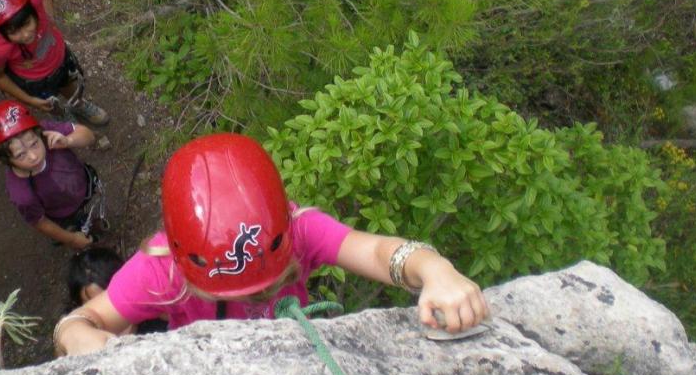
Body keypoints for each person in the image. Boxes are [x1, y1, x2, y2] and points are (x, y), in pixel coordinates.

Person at [54, 133, 489, 357]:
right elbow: (84, 318)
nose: (256, 294)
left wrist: (435, 270)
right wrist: (78, 337)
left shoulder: (300, 230)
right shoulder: (161, 269)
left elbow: (377, 252)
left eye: (263, 284)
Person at [0, 0, 108, 126]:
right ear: (1, 32)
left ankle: (78, 104)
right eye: (14, 32)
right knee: (51, 105)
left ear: (31, 10)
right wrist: (30, 99)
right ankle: (62, 115)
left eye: (27, 23)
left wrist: (49, 10)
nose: (25, 34)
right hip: (35, 82)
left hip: (60, 59)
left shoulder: (33, 0)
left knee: (71, 87)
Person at [0, 99, 105, 251]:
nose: (33, 156)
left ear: (38, 133)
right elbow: (40, 222)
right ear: (2, 160)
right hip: (63, 215)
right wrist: (71, 239)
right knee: (74, 227)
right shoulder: (22, 194)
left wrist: (68, 140)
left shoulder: (48, 134)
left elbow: (88, 136)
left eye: (34, 144)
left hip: (84, 187)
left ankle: (89, 224)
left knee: (87, 214)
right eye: (20, 155)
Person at [54, 247, 168, 355]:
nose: (107, 308)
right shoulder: (86, 339)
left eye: (111, 297)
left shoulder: (156, 308)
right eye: (92, 303)